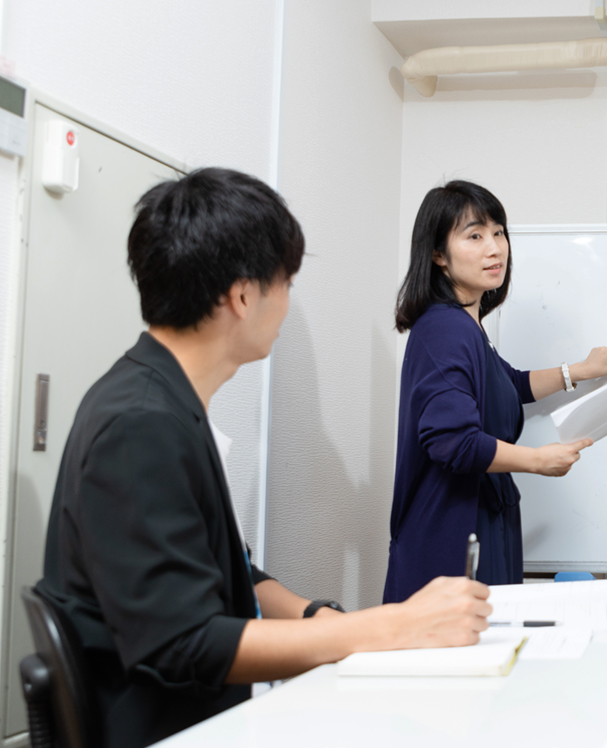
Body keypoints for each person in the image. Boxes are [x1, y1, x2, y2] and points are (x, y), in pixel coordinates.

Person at [36, 168, 493, 748]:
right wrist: (389, 627)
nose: (286, 302)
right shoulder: (141, 425)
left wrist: (329, 622)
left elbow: (229, 571)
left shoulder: (165, 401)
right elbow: (185, 644)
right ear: (244, 296)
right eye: (285, 282)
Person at [385, 181, 607, 599]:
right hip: (453, 538)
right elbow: (454, 442)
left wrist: (581, 371)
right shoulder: (444, 329)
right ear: (438, 254)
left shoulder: (466, 325)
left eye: (499, 233)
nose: (495, 248)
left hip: (480, 522)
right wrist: (536, 460)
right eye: (474, 236)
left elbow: (508, 384)